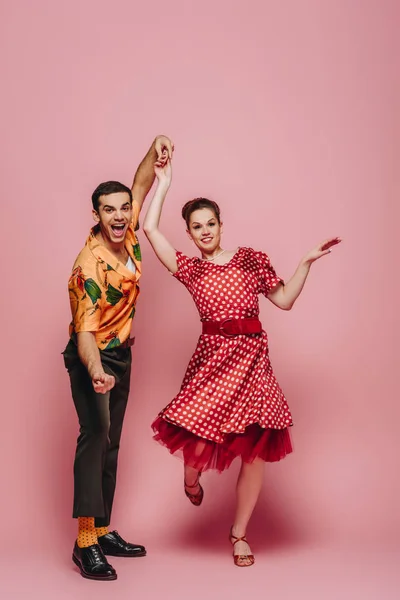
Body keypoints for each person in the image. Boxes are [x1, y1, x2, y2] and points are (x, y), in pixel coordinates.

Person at [143, 158, 341, 567]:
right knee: (197, 442)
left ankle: (239, 535)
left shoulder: (251, 259)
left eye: (210, 222)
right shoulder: (190, 269)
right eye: (197, 226)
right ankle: (190, 477)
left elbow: (283, 300)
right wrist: (164, 183)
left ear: (221, 222)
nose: (205, 230)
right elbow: (149, 229)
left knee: (254, 451)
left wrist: (304, 263)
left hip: (253, 363)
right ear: (190, 233)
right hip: (213, 362)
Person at [63, 135, 174, 581]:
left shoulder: (126, 237)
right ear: (96, 214)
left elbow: (141, 183)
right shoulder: (86, 267)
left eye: (124, 208)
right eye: (109, 209)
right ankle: (84, 543)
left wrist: (156, 146)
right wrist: (95, 371)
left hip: (122, 356)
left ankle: (103, 529)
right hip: (94, 359)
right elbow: (85, 334)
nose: (120, 215)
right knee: (94, 440)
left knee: (111, 444)